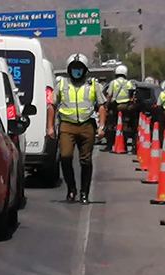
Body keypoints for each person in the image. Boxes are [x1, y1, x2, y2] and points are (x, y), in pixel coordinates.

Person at [48, 53, 107, 204]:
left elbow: (102, 106)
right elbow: (52, 106)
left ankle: (84, 193)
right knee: (65, 156)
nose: (77, 72)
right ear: (69, 70)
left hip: (87, 125)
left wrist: (101, 127)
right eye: (74, 69)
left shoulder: (93, 85)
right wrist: (50, 127)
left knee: (85, 160)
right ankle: (71, 189)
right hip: (67, 125)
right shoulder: (61, 85)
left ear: (85, 70)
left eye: (80, 69)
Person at [101, 65, 136, 152]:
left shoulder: (113, 83)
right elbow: (133, 95)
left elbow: (109, 95)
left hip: (115, 106)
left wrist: (107, 106)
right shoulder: (129, 83)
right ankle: (124, 145)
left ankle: (109, 145)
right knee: (125, 126)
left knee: (110, 125)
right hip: (126, 107)